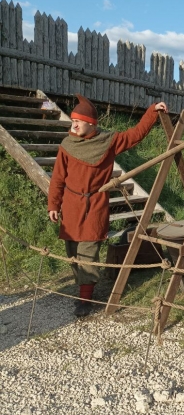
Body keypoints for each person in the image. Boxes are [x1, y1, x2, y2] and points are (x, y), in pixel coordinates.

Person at [48, 94, 167, 317]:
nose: (73, 124)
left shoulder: (107, 142)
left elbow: (135, 135)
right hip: (72, 204)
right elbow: (57, 178)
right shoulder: (67, 145)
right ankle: (81, 287)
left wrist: (153, 112)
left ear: (91, 124)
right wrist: (53, 204)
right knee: (72, 250)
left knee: (88, 250)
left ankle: (85, 299)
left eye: (78, 121)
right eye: (72, 120)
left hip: (95, 204)